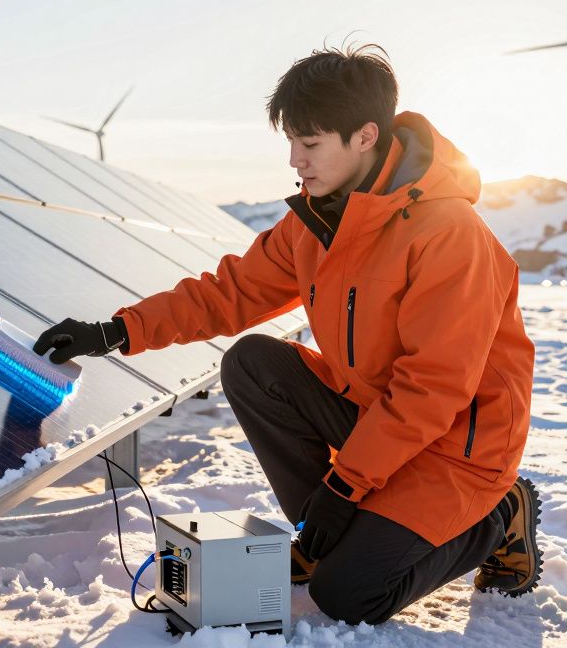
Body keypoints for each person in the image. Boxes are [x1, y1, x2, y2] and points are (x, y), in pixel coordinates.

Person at [33, 44, 540, 626]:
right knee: (252, 362)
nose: (296, 161)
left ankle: (500, 514)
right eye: (291, 144)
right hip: (379, 419)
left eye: (311, 144)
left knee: (348, 595)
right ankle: (333, 532)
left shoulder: (449, 235)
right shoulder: (320, 220)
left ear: (365, 137)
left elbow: (435, 388)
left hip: (456, 448)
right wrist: (116, 331)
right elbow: (229, 293)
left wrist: (346, 485)